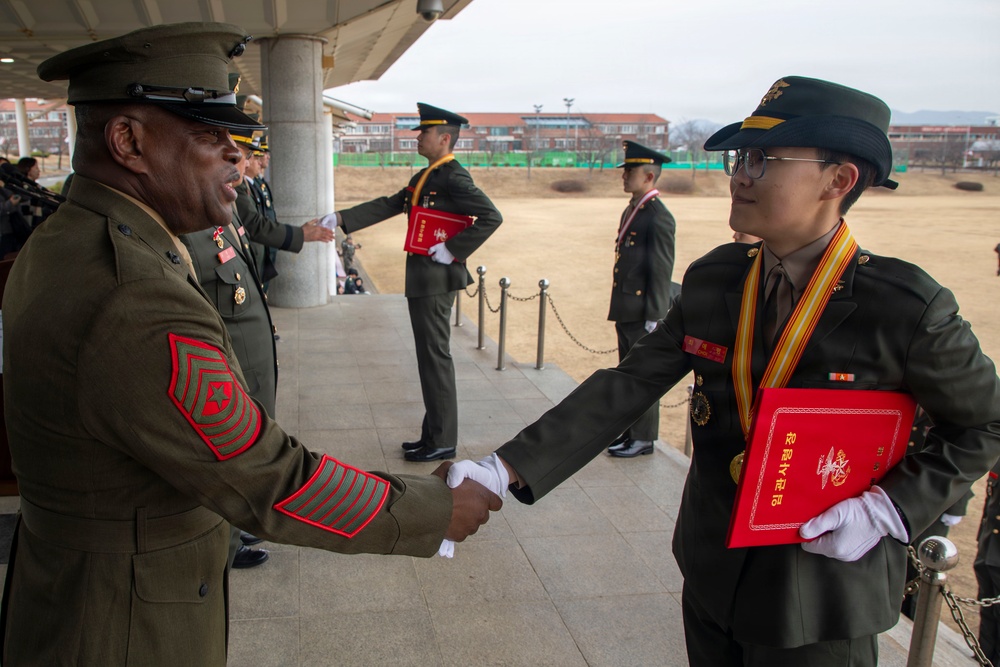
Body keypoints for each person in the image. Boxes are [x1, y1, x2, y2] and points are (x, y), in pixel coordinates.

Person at [452, 76, 1000, 665]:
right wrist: (502, 469)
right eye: (742, 157)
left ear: (838, 180)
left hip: (818, 593)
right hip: (712, 569)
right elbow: (629, 384)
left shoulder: (904, 306)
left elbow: (983, 425)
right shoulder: (719, 278)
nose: (740, 174)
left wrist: (889, 507)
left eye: (764, 159)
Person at [1, 22, 502, 666]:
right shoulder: (134, 291)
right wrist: (431, 511)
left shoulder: (75, 234)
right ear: (128, 141)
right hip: (124, 624)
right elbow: (269, 476)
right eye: (210, 135)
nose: (237, 156)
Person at [328, 103, 503, 462]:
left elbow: (491, 216)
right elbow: (393, 204)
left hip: (436, 279)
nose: (418, 137)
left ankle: (443, 440)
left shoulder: (453, 176)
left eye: (424, 132)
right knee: (429, 358)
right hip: (425, 278)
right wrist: (342, 218)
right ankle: (433, 434)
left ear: (444, 138)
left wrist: (452, 249)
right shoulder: (427, 175)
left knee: (435, 357)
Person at [606, 141, 675, 458]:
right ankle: (630, 431)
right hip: (626, 305)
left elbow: (660, 268)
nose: (624, 176)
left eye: (630, 171)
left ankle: (644, 438)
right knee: (627, 373)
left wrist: (654, 316)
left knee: (642, 376)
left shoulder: (658, 216)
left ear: (648, 176)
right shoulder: (634, 208)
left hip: (642, 309)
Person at [232, 129, 333, 283]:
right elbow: (253, 223)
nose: (251, 162)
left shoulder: (249, 185)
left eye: (249, 156)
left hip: (261, 253)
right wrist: (299, 234)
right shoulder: (239, 187)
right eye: (248, 156)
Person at [975, 458, 1000, 665]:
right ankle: (982, 657)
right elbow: (990, 504)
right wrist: (981, 539)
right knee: (987, 608)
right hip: (989, 547)